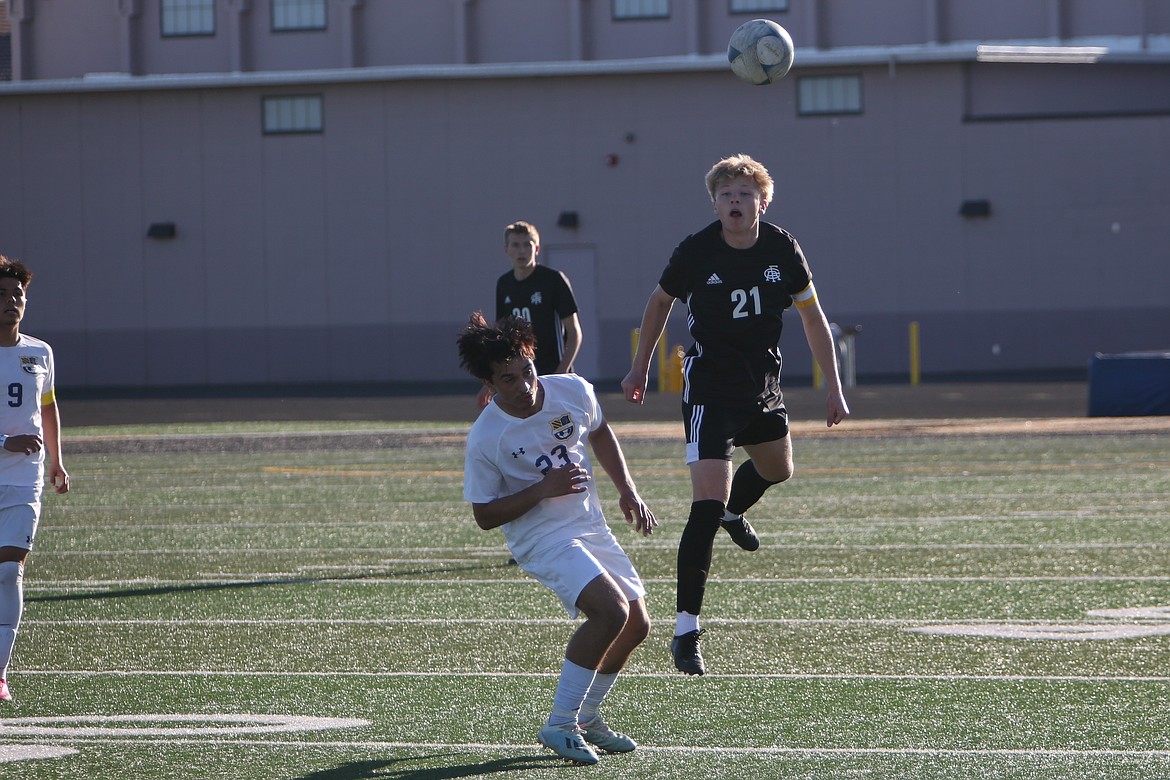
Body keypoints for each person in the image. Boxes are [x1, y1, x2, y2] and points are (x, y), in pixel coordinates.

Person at [621, 154, 849, 676]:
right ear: (715, 203)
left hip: (763, 386)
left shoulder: (783, 248)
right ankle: (685, 631)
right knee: (705, 502)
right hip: (709, 389)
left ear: (762, 202)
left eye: (745, 194)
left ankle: (731, 511)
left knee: (778, 469)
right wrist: (639, 369)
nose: (734, 202)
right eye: (725, 194)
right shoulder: (696, 250)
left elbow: (813, 317)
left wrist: (834, 388)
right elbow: (659, 304)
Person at [459, 311, 656, 765]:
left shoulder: (571, 389)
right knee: (610, 611)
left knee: (637, 624)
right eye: (507, 380)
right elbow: (484, 516)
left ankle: (587, 717)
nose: (524, 385)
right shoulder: (486, 436)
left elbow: (600, 430)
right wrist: (541, 490)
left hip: (589, 524)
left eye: (526, 370)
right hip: (541, 537)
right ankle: (560, 723)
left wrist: (627, 489)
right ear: (489, 385)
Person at [0, 256, 69, 702]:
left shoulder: (39, 351)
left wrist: (57, 461)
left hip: (25, 479)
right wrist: (4, 440)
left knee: (8, 572)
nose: (12, 302)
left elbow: (47, 408)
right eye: (3, 295)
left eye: (18, 294)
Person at [478, 221, 582, 409]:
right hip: (520, 378)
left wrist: (561, 373)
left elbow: (575, 333)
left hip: (553, 374)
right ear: (506, 249)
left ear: (537, 248)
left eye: (527, 244)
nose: (521, 250)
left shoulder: (553, 280)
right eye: (516, 245)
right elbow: (502, 336)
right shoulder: (504, 284)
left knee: (561, 428)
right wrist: (492, 380)